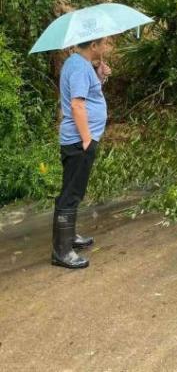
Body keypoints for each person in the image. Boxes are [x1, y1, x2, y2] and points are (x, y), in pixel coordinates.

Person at [51, 38, 112, 269]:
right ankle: (62, 252)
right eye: (104, 43)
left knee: (72, 190)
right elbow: (77, 105)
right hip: (79, 141)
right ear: (93, 45)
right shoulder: (78, 67)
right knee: (71, 193)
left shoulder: (82, 65)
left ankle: (69, 237)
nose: (107, 48)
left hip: (79, 141)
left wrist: (100, 76)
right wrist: (87, 138)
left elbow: (90, 96)